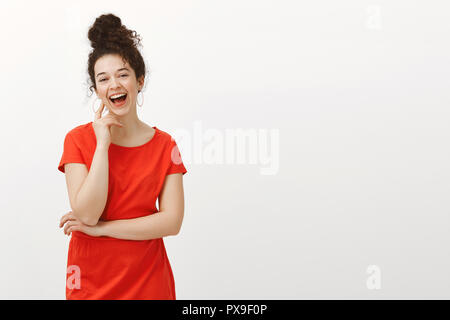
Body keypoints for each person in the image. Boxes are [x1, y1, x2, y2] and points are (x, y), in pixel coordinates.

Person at [57, 13, 187, 300]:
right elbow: (88, 213)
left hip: (149, 282)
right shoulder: (77, 140)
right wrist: (102, 145)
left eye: (123, 74)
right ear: (97, 91)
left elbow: (172, 222)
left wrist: (101, 229)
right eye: (103, 79)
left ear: (139, 81)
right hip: (90, 281)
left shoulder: (166, 145)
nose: (113, 84)